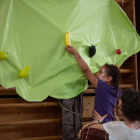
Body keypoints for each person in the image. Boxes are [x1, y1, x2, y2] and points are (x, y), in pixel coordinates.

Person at [66, 45, 121, 123]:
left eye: (100, 72)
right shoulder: (118, 89)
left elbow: (86, 70)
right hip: (110, 123)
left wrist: (75, 53)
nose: (96, 74)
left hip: (100, 124)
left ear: (109, 79)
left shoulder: (103, 86)